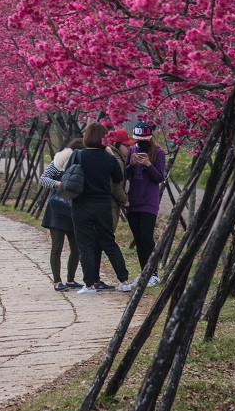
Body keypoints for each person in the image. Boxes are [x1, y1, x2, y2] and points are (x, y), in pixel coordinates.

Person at [68, 123, 133, 295]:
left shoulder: (78, 155)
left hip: (81, 205)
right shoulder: (108, 158)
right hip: (103, 205)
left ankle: (89, 285)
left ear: (87, 137)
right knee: (109, 243)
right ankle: (124, 281)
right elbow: (118, 178)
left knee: (86, 246)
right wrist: (110, 155)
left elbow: (67, 174)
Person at [38, 139, 84, 292]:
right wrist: (60, 184)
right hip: (57, 208)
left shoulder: (83, 164)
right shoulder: (59, 161)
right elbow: (43, 179)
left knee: (76, 246)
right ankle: (57, 281)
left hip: (75, 209)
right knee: (57, 246)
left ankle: (70, 279)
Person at [126, 122, 166, 288]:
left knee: (147, 237)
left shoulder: (158, 152)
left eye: (143, 140)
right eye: (137, 140)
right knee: (138, 239)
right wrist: (132, 164)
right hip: (133, 201)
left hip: (149, 201)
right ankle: (144, 273)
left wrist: (148, 164)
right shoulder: (131, 150)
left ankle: (153, 273)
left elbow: (159, 178)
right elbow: (125, 175)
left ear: (150, 138)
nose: (140, 143)